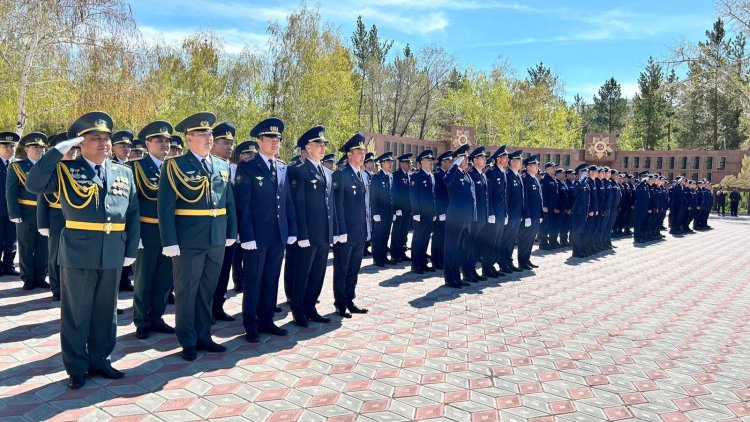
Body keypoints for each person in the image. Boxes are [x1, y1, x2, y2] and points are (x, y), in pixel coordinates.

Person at [26, 111, 140, 389]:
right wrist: (55, 153)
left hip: (112, 250)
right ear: (81, 143)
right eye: (95, 138)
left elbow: (133, 211)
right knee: (77, 314)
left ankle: (101, 360)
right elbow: (34, 184)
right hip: (78, 252)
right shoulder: (66, 170)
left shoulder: (123, 172)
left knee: (106, 312)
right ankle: (76, 367)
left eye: (106, 138)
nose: (103, 142)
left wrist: (131, 248)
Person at [157, 112, 238, 361]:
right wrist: (169, 240)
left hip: (216, 239)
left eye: (210, 133)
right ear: (189, 138)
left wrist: (231, 231)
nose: (208, 138)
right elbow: (165, 206)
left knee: (207, 291)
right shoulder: (175, 165)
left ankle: (204, 335)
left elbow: (229, 202)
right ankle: (188, 339)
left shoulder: (222, 165)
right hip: (188, 241)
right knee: (186, 291)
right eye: (202, 134)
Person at [235, 117, 296, 343]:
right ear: (259, 141)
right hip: (256, 237)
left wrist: (291, 229)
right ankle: (251, 324)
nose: (275, 142)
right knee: (254, 280)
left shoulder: (282, 167)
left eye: (278, 139)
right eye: (270, 138)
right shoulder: (248, 166)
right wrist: (247, 236)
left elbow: (287, 201)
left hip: (277, 235)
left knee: (271, 278)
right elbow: (243, 204)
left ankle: (267, 320)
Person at [130, 121, 175, 340]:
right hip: (146, 230)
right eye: (159, 140)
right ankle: (141, 320)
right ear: (148, 143)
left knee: (164, 278)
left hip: (170, 233)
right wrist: (134, 233)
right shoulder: (136, 167)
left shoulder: (175, 167)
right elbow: (132, 204)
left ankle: (157, 316)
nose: (165, 144)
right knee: (144, 278)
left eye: (167, 141)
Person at [288, 125, 337, 327]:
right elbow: (298, 205)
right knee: (302, 273)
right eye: (318, 144)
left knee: (318, 273)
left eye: (323, 144)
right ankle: (298, 310)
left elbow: (330, 205)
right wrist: (302, 234)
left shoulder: (326, 172)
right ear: (307, 148)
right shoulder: (298, 171)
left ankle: (311, 307)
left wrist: (333, 232)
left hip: (323, 233)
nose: (322, 147)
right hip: (307, 234)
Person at [37, 133, 79, 300]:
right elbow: (41, 198)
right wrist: (43, 224)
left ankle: (74, 289)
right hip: (56, 216)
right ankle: (57, 288)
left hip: (77, 219)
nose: (72, 152)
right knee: (55, 255)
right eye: (68, 149)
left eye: (75, 148)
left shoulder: (80, 169)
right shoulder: (52, 170)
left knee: (75, 256)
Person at [332, 133, 369, 318]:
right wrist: (340, 230)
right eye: (359, 152)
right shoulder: (341, 175)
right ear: (349, 154)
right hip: (345, 233)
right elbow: (337, 204)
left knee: (354, 269)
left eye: (363, 152)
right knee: (342, 269)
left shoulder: (362, 175)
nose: (362, 156)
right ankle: (340, 303)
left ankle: (349, 299)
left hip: (360, 232)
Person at [7, 132, 49, 290]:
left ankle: (40, 277)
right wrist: (14, 213)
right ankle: (28, 278)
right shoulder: (17, 167)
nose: (39, 150)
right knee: (26, 247)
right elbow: (11, 192)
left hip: (45, 213)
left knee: (43, 248)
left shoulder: (48, 166)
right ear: (26, 149)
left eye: (41, 147)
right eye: (35, 147)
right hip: (26, 212)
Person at [210, 122, 238, 323]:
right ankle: (205, 310)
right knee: (208, 275)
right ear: (213, 144)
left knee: (224, 270)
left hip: (227, 230)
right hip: (208, 230)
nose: (229, 147)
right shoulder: (208, 165)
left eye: (231, 143)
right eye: (225, 143)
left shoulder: (233, 168)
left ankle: (218, 306)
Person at [442, 144, 475, 288]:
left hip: (466, 219)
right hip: (455, 218)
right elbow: (446, 181)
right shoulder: (453, 173)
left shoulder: (465, 174)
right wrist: (454, 164)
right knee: (451, 248)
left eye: (467, 157)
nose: (467, 160)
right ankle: (450, 278)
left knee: (461, 248)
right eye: (464, 158)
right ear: (457, 159)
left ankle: (457, 276)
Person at [408, 149, 436, 274]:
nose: (431, 163)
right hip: (420, 214)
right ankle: (415, 265)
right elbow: (413, 196)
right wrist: (416, 212)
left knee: (425, 239)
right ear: (422, 162)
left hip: (429, 214)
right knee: (418, 239)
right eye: (428, 160)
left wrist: (434, 212)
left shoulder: (432, 176)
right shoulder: (416, 176)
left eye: (431, 160)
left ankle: (423, 262)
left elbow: (433, 196)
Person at [484, 146, 508, 277]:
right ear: (498, 159)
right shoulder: (491, 173)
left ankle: (491, 265)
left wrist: (505, 213)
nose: (507, 159)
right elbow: (489, 195)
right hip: (494, 214)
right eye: (505, 157)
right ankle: (486, 267)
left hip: (501, 213)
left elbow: (503, 196)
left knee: (498, 241)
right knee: (491, 241)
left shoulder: (503, 172)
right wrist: (491, 213)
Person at [466, 146, 489, 281]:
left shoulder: (482, 175)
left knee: (477, 244)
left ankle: (472, 270)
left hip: (482, 216)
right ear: (475, 160)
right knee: (471, 245)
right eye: (482, 158)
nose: (484, 160)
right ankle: (468, 271)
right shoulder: (472, 175)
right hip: (475, 217)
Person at [499, 150, 524, 273]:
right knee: (506, 239)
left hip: (517, 214)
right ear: (512, 162)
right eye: (518, 161)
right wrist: (506, 213)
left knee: (512, 240)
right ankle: (503, 262)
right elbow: (506, 197)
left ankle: (508, 261)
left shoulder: (518, 176)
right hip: (510, 214)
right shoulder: (508, 175)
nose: (521, 163)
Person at [370, 152, 395, 267]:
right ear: (382, 163)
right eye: (388, 162)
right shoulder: (376, 177)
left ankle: (384, 256)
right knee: (377, 236)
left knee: (385, 236)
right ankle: (377, 258)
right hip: (379, 213)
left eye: (391, 162)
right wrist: (375, 212)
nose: (390, 164)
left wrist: (393, 211)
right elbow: (373, 196)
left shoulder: (390, 176)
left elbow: (392, 196)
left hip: (388, 213)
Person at [517, 155, 542, 270]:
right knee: (525, 239)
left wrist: (541, 214)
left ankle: (527, 259)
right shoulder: (525, 179)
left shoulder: (535, 179)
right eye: (535, 165)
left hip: (536, 215)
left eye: (537, 165)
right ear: (528, 167)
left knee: (531, 239)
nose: (537, 167)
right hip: (529, 216)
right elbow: (525, 200)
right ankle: (522, 261)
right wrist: (526, 216)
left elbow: (539, 199)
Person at [0, 132, 19, 276]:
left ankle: (9, 265)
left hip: (14, 210)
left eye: (12, 145)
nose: (9, 148)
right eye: (5, 145)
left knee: (12, 240)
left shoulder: (19, 165)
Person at [431, 150, 452, 270]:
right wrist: (440, 212)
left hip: (450, 211)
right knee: (438, 237)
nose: (450, 163)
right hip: (441, 212)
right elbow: (437, 196)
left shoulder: (448, 175)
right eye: (448, 161)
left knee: (445, 237)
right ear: (442, 163)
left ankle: (443, 259)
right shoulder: (437, 176)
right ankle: (435, 260)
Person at [390, 153, 413, 262]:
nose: (409, 164)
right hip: (400, 209)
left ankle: (402, 252)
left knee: (404, 232)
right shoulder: (396, 175)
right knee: (397, 232)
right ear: (401, 164)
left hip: (408, 209)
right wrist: (396, 208)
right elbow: (394, 193)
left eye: (410, 162)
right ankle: (394, 254)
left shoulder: (409, 175)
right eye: (407, 162)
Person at [570, 163, 590, 258]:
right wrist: (581, 179)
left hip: (583, 212)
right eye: (583, 171)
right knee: (576, 232)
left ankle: (580, 249)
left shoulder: (585, 183)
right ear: (578, 173)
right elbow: (574, 193)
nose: (586, 173)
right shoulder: (577, 183)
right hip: (577, 212)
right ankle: (576, 251)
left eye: (586, 171)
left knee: (581, 232)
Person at [539, 162, 559, 250]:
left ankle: (549, 242)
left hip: (552, 207)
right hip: (547, 207)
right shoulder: (544, 179)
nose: (554, 169)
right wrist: (544, 205)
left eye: (554, 167)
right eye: (552, 167)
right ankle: (543, 243)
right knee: (545, 225)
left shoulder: (553, 179)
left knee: (550, 225)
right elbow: (543, 194)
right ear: (547, 169)